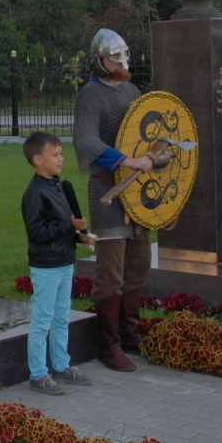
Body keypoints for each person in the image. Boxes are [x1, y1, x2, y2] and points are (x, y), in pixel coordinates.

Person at [72, 29, 156, 372]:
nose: (121, 62)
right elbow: (86, 141)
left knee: (138, 266)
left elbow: (144, 133)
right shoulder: (91, 96)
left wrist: (153, 156)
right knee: (110, 273)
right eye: (114, 57)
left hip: (137, 193)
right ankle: (109, 345)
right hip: (108, 193)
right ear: (99, 60)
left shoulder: (132, 91)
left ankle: (129, 333)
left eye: (124, 55)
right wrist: (127, 161)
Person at [20, 130, 94, 395]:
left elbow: (60, 227)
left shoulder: (59, 186)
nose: (61, 158)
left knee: (62, 317)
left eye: (61, 153)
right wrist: (68, 225)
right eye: (56, 154)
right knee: (43, 321)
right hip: (46, 267)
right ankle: (38, 375)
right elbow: (36, 232)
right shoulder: (34, 194)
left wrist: (77, 236)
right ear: (38, 160)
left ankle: (62, 365)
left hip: (64, 261)